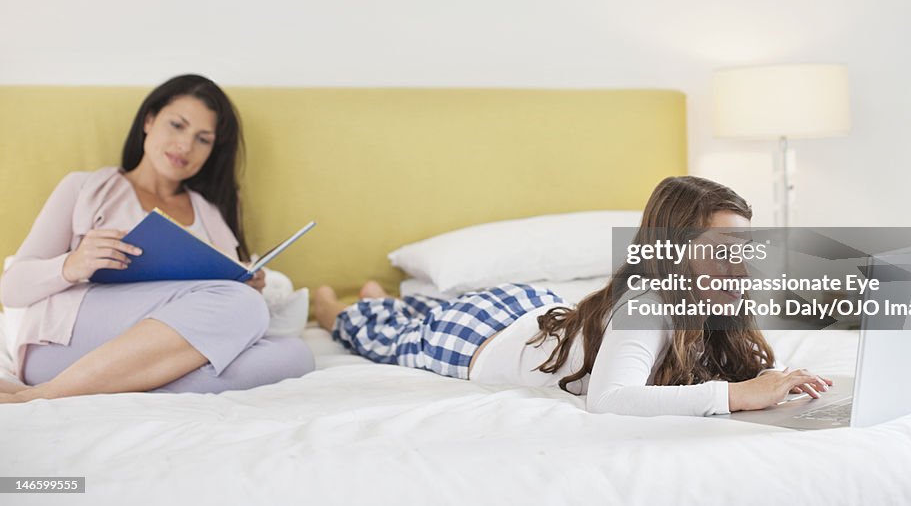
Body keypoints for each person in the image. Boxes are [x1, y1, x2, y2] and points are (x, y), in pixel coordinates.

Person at [312, 176, 831, 416]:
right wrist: (736, 395)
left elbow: (729, 359)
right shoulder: (647, 305)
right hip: (482, 340)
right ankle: (336, 305)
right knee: (386, 331)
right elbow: (611, 399)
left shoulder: (720, 297)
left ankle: (388, 297)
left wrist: (769, 379)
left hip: (536, 313)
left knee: (415, 308)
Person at [0, 74, 314, 403]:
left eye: (203, 139)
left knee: (295, 354)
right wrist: (71, 265)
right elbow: (11, 288)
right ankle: (41, 395)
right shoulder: (85, 188)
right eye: (177, 125)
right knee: (244, 305)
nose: (185, 146)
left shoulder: (211, 211)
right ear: (149, 120)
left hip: (160, 353)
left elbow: (219, 306)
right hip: (65, 343)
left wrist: (246, 282)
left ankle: (56, 390)